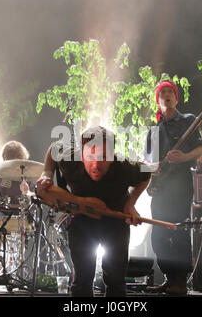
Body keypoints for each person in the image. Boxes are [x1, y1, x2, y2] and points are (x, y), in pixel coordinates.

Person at [36, 126, 151, 297]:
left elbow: (147, 173)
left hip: (115, 218)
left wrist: (130, 203)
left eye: (103, 157)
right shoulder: (69, 158)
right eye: (90, 155)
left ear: (112, 156)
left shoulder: (124, 167)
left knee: (116, 282)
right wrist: (46, 174)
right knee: (81, 281)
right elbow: (53, 150)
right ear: (81, 153)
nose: (96, 164)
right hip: (81, 217)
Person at [145, 80, 202, 295]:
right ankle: (170, 278)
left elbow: (201, 149)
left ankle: (181, 280)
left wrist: (184, 157)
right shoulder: (153, 130)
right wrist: (152, 172)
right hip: (160, 188)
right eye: (163, 92)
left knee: (179, 231)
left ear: (176, 98)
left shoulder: (188, 121)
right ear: (158, 100)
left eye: (171, 91)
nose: (167, 95)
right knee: (158, 233)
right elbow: (149, 161)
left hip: (180, 185)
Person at [0, 140, 35, 217]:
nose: (13, 165)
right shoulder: (0, 174)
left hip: (24, 213)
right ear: (5, 160)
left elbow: (35, 198)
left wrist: (27, 192)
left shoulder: (29, 175)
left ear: (22, 159)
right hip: (3, 212)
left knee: (36, 223)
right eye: (10, 161)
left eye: (16, 161)